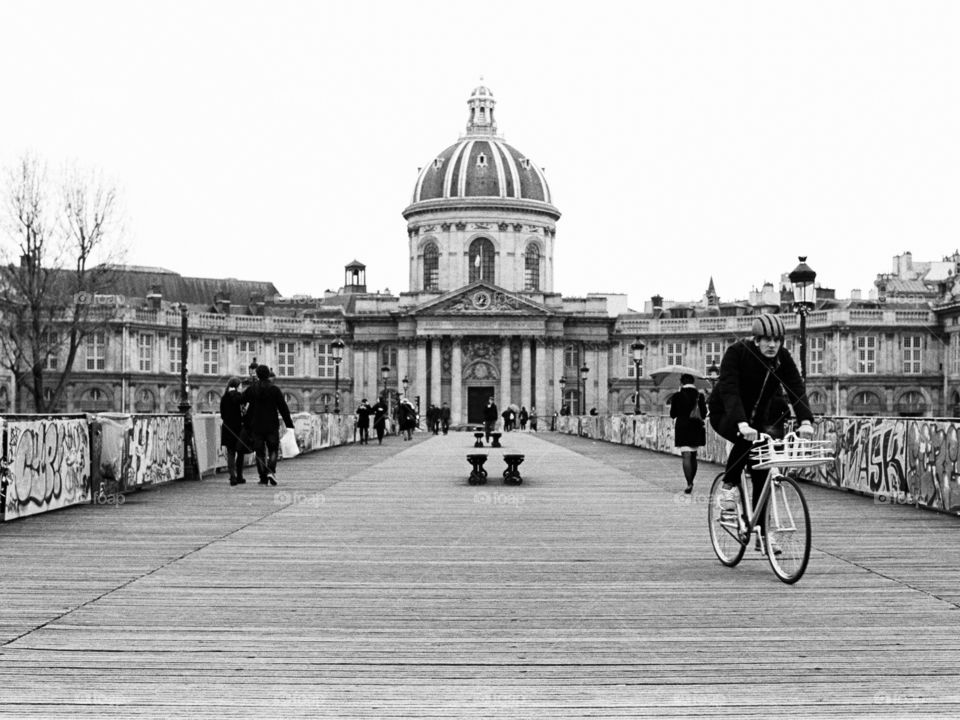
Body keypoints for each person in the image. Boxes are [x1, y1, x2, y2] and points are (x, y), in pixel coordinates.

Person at [708, 313, 814, 555]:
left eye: (777, 340)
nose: (773, 345)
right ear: (756, 340)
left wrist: (805, 420)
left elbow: (795, 387)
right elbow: (730, 390)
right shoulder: (737, 353)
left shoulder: (781, 359)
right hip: (725, 413)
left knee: (762, 472)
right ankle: (728, 485)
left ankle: (763, 535)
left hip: (759, 419)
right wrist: (741, 423)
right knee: (747, 440)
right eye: (767, 340)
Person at [240, 364, 294, 486]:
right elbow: (283, 408)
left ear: (257, 375)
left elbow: (241, 400)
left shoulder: (252, 389)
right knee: (273, 450)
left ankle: (263, 478)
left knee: (259, 452)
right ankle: (271, 470)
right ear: (268, 375)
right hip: (271, 425)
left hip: (256, 425)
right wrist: (289, 424)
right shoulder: (274, 389)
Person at [669, 373, 707, 494]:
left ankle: (689, 483)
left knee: (686, 455)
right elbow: (704, 413)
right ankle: (692, 481)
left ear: (681, 382)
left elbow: (672, 414)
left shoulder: (677, 396)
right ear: (693, 382)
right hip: (696, 426)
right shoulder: (699, 396)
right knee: (693, 455)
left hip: (682, 427)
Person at [219, 377, 248, 486]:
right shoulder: (239, 397)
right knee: (240, 452)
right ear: (237, 386)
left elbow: (222, 414)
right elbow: (243, 413)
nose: (241, 388)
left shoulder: (224, 397)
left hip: (227, 427)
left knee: (231, 452)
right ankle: (239, 476)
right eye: (240, 386)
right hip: (239, 428)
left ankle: (232, 477)